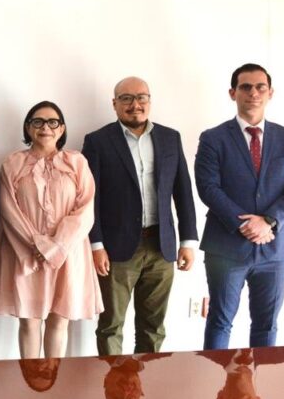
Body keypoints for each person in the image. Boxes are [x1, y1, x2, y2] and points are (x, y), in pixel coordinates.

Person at [82, 77, 199, 355]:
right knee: (111, 325)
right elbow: (90, 198)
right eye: (126, 98)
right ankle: (114, 387)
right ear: (115, 104)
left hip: (162, 246)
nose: (135, 104)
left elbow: (183, 190)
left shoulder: (170, 138)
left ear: (149, 101)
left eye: (142, 98)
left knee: (154, 326)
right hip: (116, 249)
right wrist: (96, 245)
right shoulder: (98, 141)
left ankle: (148, 384)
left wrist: (189, 241)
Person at [194, 63, 284, 350]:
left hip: (275, 249)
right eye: (245, 87)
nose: (253, 93)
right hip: (226, 246)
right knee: (220, 321)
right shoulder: (213, 138)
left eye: (260, 87)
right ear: (233, 93)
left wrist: (268, 221)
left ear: (270, 93)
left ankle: (260, 390)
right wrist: (245, 223)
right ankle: (217, 390)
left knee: (267, 323)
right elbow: (208, 187)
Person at [0, 101, 102, 359]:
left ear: (61, 129)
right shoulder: (13, 163)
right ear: (28, 128)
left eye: (53, 122)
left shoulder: (77, 162)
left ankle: (55, 380)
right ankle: (30, 382)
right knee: (29, 321)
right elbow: (8, 210)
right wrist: (38, 245)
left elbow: (85, 210)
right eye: (37, 122)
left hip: (68, 253)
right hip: (26, 253)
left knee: (59, 320)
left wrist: (57, 246)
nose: (45, 128)